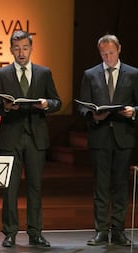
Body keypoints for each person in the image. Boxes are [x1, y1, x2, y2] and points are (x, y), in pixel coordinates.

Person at [0, 30, 61, 248]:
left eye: (25, 48)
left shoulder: (43, 73)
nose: (21, 52)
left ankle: (35, 232)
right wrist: (5, 107)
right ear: (11, 50)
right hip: (11, 138)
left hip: (36, 138)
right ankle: (10, 233)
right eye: (17, 48)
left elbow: (57, 101)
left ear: (31, 48)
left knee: (35, 187)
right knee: (10, 188)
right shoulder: (2, 74)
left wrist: (46, 104)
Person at [79, 34, 138, 246]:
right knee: (101, 186)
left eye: (111, 53)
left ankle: (119, 230)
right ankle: (101, 230)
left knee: (121, 185)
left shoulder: (133, 74)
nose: (108, 57)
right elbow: (82, 106)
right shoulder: (90, 74)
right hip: (100, 136)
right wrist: (92, 115)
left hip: (123, 136)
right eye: (104, 54)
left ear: (119, 49)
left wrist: (133, 111)